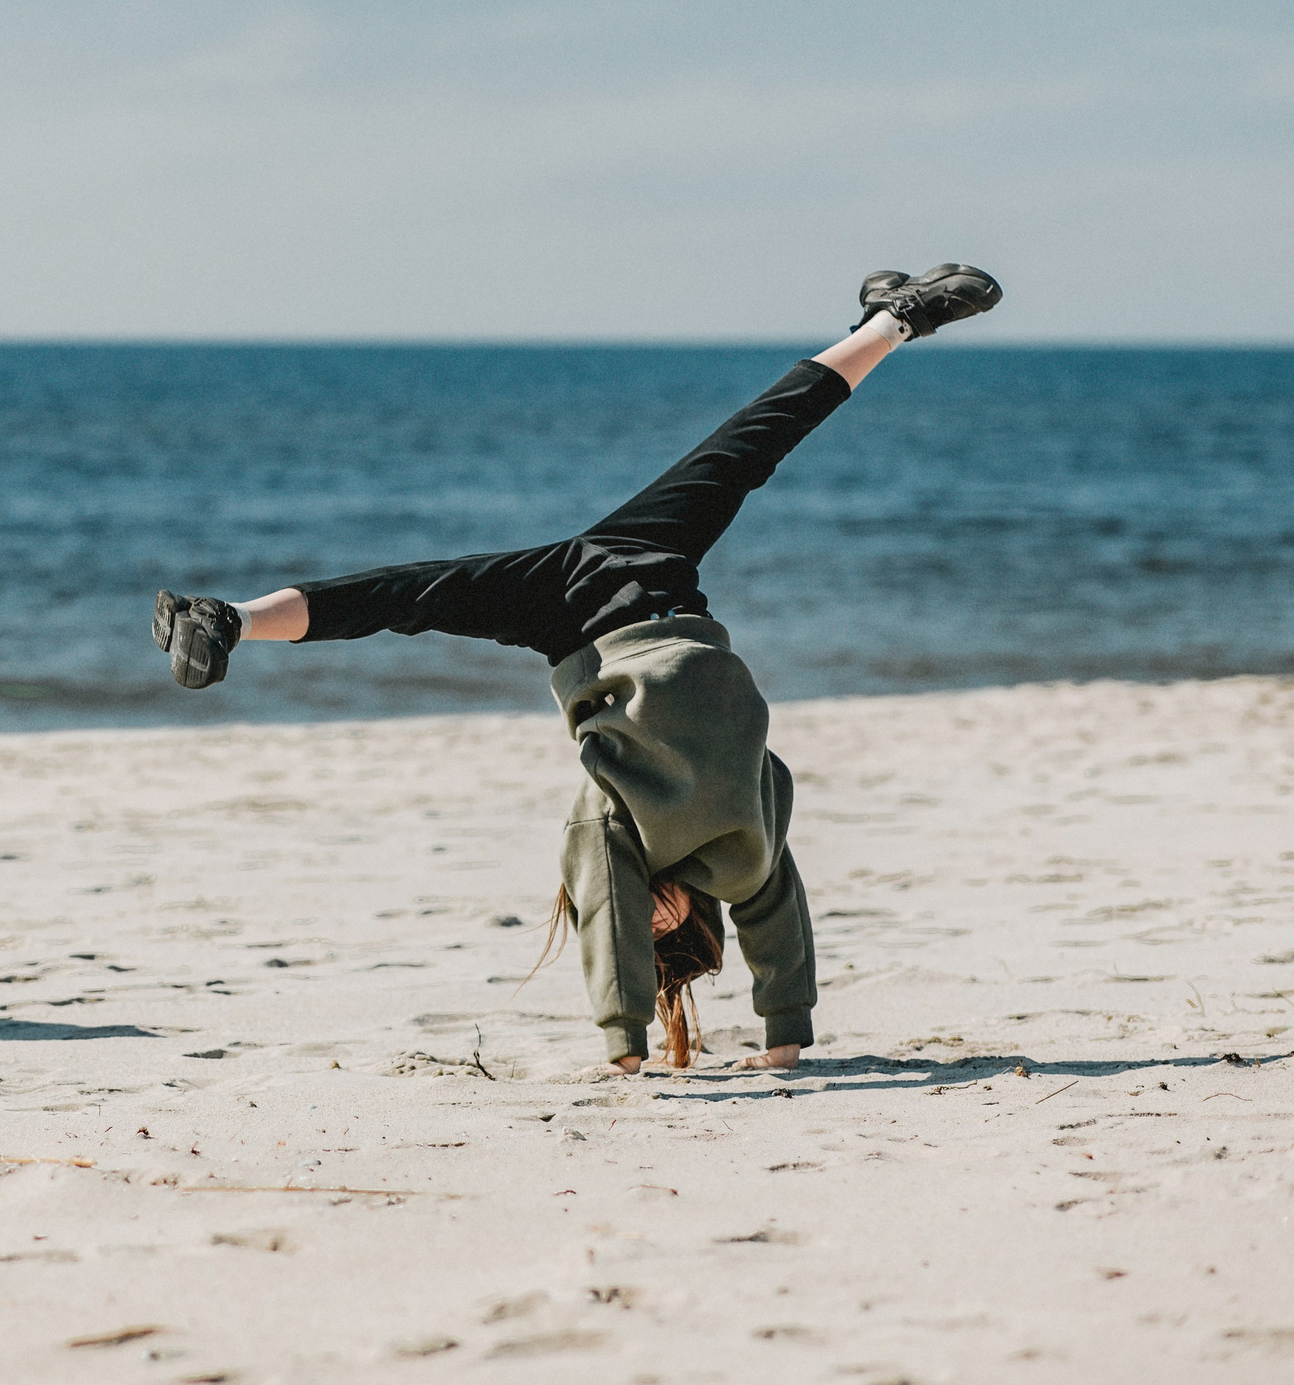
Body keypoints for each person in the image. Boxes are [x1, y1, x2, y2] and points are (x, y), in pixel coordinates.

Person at [152, 265, 1002, 1074]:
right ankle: (896, 318)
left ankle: (226, 620)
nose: (651, 918)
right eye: (668, 930)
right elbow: (777, 920)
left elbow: (601, 903)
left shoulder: (615, 820)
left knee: (410, 594)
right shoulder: (744, 851)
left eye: (651, 926)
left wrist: (623, 1048)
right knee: (752, 442)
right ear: (690, 924)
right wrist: (785, 1039)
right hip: (659, 583)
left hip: (572, 623)